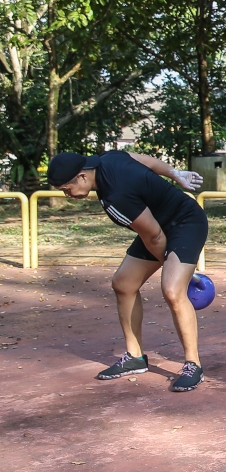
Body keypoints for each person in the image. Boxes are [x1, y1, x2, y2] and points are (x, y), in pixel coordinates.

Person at [48, 150, 210, 392]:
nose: (67, 195)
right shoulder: (107, 158)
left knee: (173, 289)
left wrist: (173, 269)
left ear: (81, 177)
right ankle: (135, 357)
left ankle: (192, 364)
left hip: (185, 222)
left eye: (65, 189)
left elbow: (154, 236)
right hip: (156, 224)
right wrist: (175, 174)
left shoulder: (115, 196)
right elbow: (142, 160)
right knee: (123, 284)